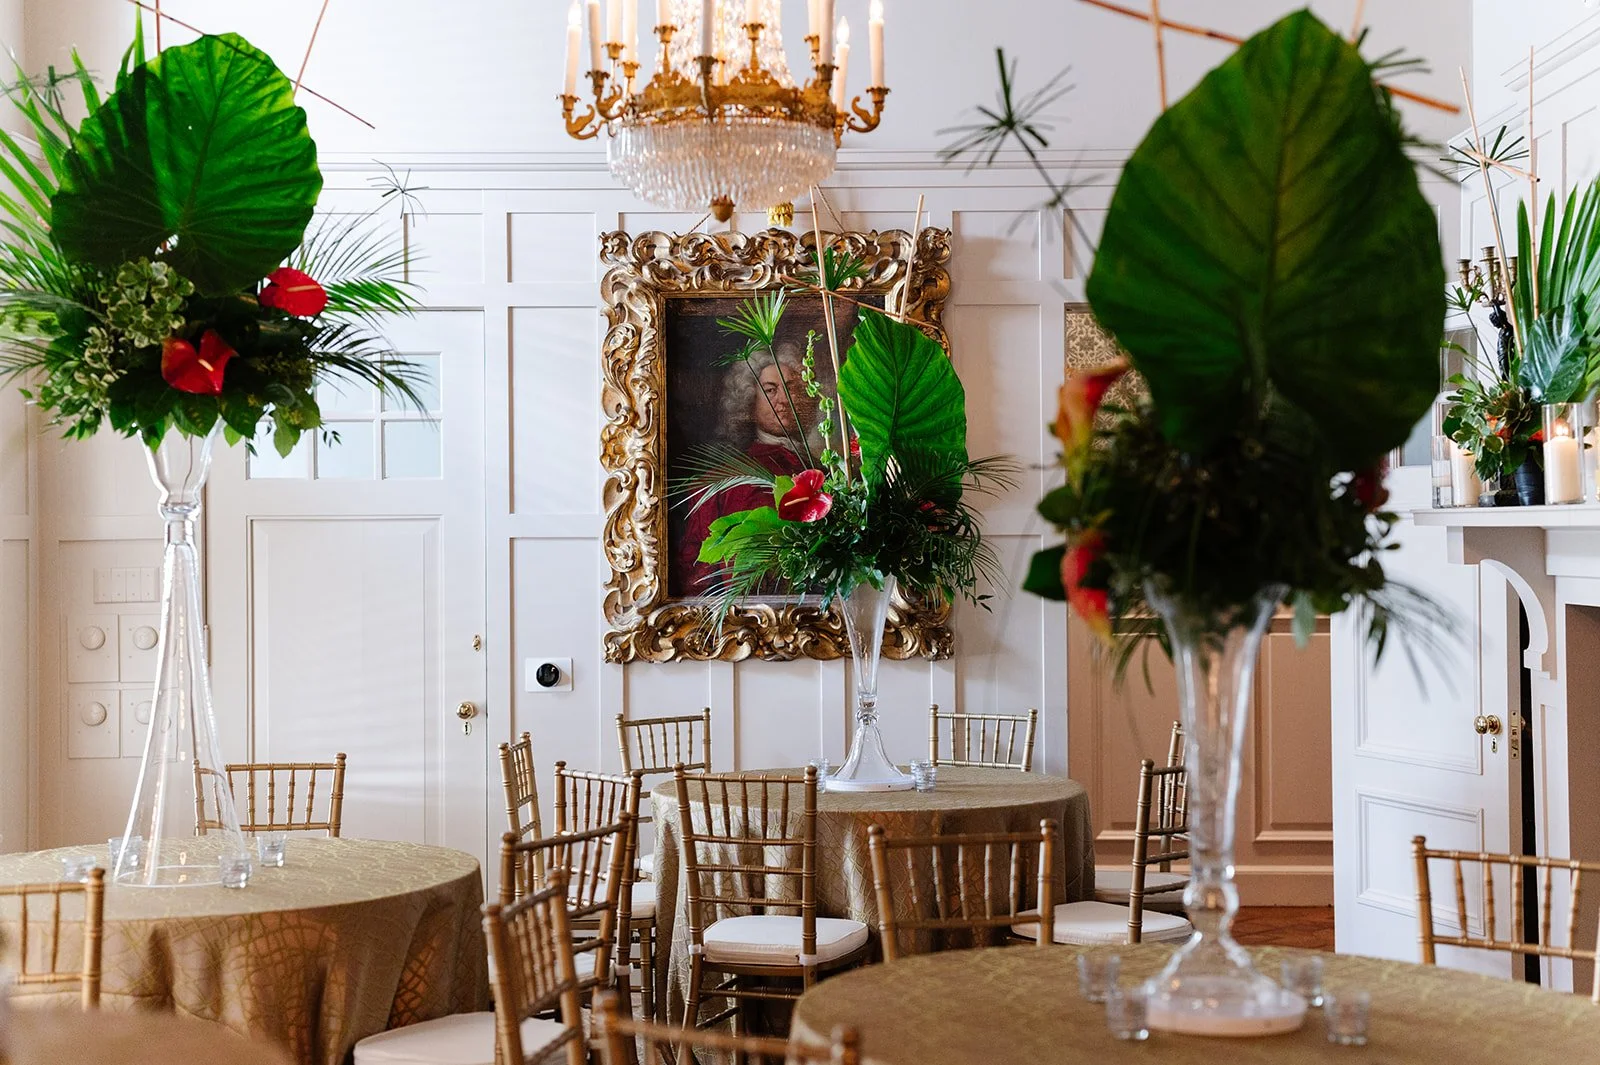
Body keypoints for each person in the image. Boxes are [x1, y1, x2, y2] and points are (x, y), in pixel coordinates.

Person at [677, 343, 824, 596]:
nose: (783, 399)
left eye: (791, 388)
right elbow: (698, 572)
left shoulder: (825, 470)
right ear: (749, 401)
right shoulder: (721, 482)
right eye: (770, 390)